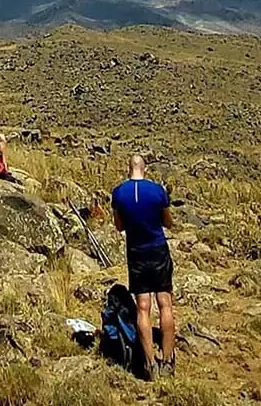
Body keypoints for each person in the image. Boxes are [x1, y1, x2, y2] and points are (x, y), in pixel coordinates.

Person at [111, 154, 175, 380]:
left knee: (143, 307)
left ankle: (149, 364)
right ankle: (167, 361)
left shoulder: (119, 193)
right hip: (157, 248)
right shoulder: (157, 191)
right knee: (164, 303)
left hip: (136, 252)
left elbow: (119, 226)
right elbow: (167, 222)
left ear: (128, 168)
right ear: (144, 168)